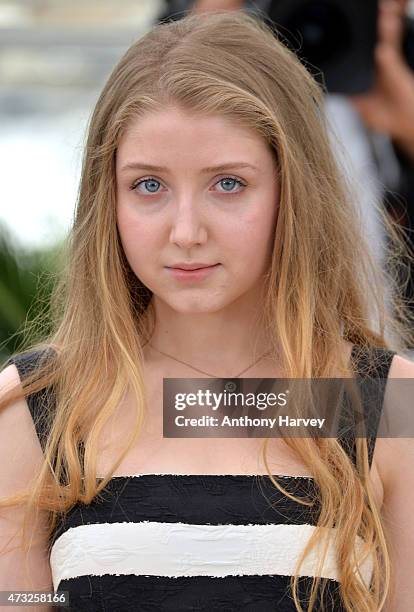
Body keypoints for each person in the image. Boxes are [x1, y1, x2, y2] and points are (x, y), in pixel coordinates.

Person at [0, 9, 414, 612]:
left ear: (291, 191)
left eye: (228, 184)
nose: (186, 231)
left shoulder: (384, 404)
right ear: (106, 196)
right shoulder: (40, 407)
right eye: (148, 185)